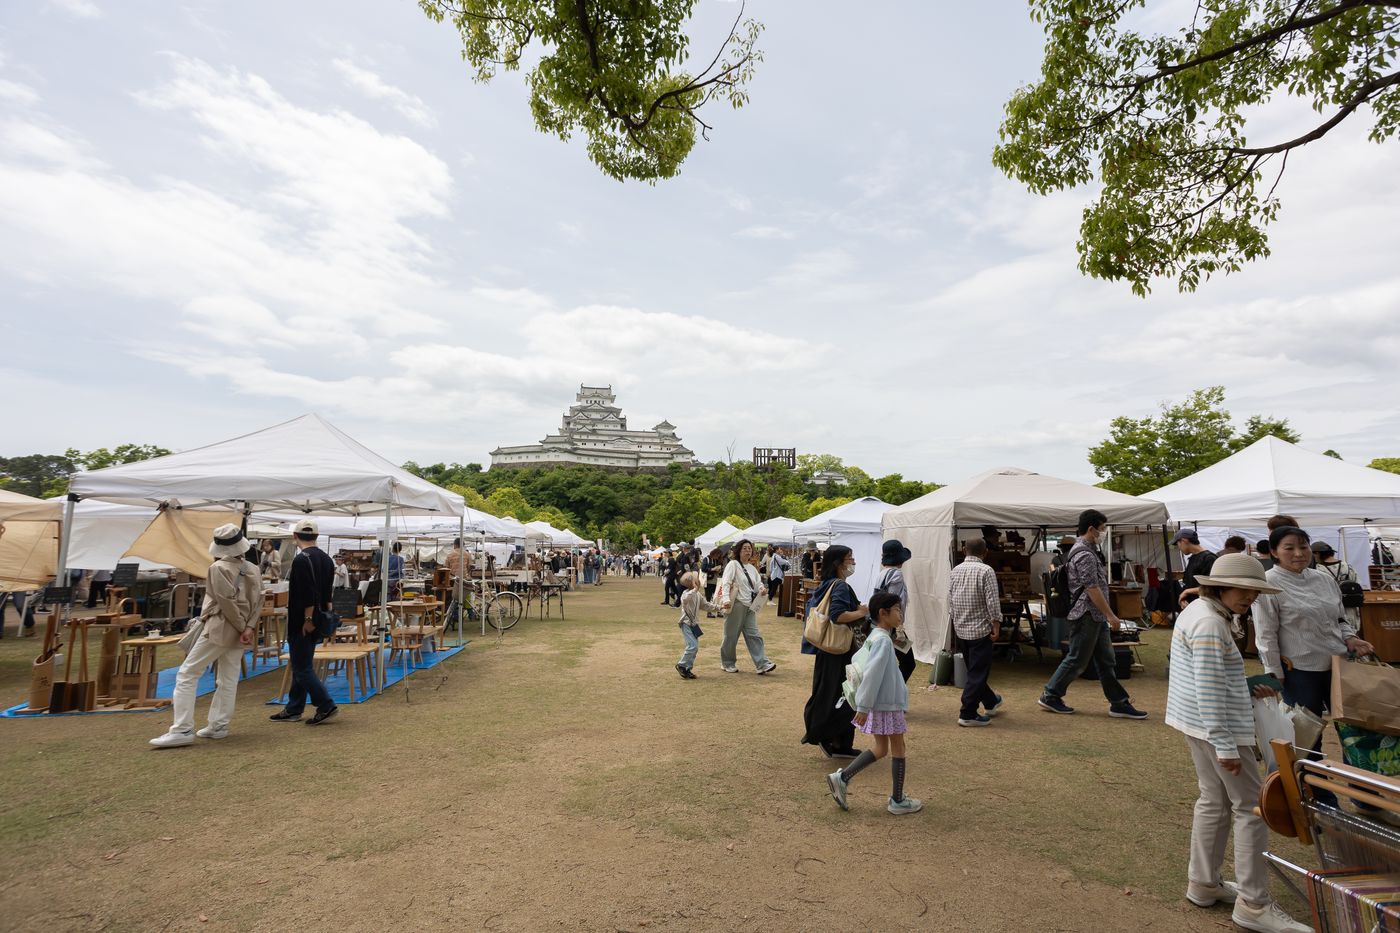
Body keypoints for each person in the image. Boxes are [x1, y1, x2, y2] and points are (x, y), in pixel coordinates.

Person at [1164, 554, 1310, 933]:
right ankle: (1253, 903)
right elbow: (1208, 688)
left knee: (1214, 801)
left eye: (1254, 591)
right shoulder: (1211, 622)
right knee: (1252, 809)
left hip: (1198, 726)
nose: (1250, 597)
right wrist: (1226, 744)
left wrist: (1244, 690)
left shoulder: (1199, 611)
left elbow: (1210, 681)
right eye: (1244, 590)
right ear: (1221, 586)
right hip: (1217, 730)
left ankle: (1204, 883)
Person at [1253, 526, 1373, 782]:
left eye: (1303, 546)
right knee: (1308, 738)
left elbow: (1339, 618)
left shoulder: (1324, 579)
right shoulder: (1268, 584)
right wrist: (1274, 674)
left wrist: (1351, 638)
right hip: (1299, 672)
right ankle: (1317, 796)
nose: (1298, 553)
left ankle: (1366, 795)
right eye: (1289, 548)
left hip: (1339, 667)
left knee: (1355, 733)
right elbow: (1265, 635)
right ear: (1274, 552)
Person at [149, 524, 261, 748]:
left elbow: (225, 602)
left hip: (220, 626)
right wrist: (248, 627)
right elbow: (258, 602)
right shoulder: (252, 568)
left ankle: (182, 728)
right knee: (228, 678)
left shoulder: (219, 568)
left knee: (187, 674)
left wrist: (241, 626)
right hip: (242, 630)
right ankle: (218, 725)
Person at [1038, 509, 1149, 719]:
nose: (1104, 532)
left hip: (1092, 615)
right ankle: (1050, 694)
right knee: (1078, 659)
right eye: (1102, 528)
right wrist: (1111, 615)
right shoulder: (1084, 554)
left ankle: (1118, 702)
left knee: (1106, 660)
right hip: (1087, 614)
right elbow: (1092, 588)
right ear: (1091, 529)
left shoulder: (1085, 551)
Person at [824, 591, 922, 815]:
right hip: (887, 703)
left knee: (881, 748)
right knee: (898, 747)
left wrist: (866, 705)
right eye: (897, 609)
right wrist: (863, 706)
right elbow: (872, 674)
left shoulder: (876, 637)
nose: (900, 613)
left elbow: (863, 665)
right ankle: (897, 800)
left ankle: (842, 778)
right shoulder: (883, 641)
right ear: (883, 613)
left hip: (881, 703)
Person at [270, 519, 339, 726]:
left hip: (303, 618)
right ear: (316, 536)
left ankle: (325, 704)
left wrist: (307, 619)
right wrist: (327, 616)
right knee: (302, 663)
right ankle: (294, 707)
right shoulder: (327, 559)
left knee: (301, 667)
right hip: (319, 615)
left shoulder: (301, 560)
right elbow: (327, 593)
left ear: (295, 536)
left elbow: (308, 594)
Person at [801, 545, 866, 758]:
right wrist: (860, 612)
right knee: (845, 694)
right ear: (838, 563)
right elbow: (837, 615)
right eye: (850, 558)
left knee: (830, 692)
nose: (853, 562)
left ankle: (839, 743)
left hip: (827, 649)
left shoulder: (827, 584)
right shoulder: (839, 586)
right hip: (839, 650)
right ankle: (826, 735)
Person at [948, 538, 1004, 728]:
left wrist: (955, 621)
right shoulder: (986, 571)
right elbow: (992, 601)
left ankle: (990, 701)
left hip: (961, 628)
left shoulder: (955, 570)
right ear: (985, 552)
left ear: (964, 551)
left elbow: (950, 599)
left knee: (975, 670)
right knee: (977, 673)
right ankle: (968, 713)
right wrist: (996, 623)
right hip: (980, 629)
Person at [718, 539, 777, 675]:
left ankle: (762, 663)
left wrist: (762, 588)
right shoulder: (733, 565)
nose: (747, 551)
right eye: (744, 548)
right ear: (738, 550)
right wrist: (726, 599)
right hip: (737, 604)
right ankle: (727, 663)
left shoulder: (751, 568)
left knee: (754, 635)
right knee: (731, 636)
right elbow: (726, 583)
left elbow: (757, 583)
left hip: (750, 605)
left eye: (749, 548)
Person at [874, 539, 917, 682]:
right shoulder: (896, 574)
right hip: (893, 628)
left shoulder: (882, 573)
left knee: (891, 662)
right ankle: (895, 692)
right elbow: (893, 602)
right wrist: (898, 627)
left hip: (882, 624)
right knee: (908, 663)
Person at [674, 571, 716, 679]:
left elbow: (706, 605)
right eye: (696, 579)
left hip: (693, 624)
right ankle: (682, 665)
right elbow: (685, 599)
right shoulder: (686, 594)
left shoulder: (697, 594)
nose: (698, 580)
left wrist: (719, 607)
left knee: (694, 647)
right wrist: (695, 589)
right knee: (692, 646)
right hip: (686, 623)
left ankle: (687, 668)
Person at [1312, 541, 1361, 630]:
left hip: (1331, 609)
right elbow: (1357, 583)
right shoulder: (1347, 566)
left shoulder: (1317, 569)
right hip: (1350, 607)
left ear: (1317, 553)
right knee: (1352, 634)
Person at [1173, 529, 1217, 607]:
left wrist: (1187, 591)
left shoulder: (1209, 558)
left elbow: (1212, 587)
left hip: (1206, 607)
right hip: (1193, 606)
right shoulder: (1193, 558)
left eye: (1177, 544)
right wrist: (1184, 598)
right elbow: (1189, 583)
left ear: (1184, 541)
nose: (1178, 548)